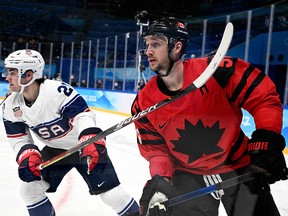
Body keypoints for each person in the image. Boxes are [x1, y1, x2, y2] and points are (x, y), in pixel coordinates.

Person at [131, 17, 288, 216]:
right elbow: (157, 151)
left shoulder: (218, 71)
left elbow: (263, 97)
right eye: (147, 45)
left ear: (177, 47)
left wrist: (266, 139)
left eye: (156, 44)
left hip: (237, 164)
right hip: (188, 175)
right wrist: (160, 181)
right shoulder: (143, 103)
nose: (148, 51)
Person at [2, 49, 138, 216]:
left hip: (84, 147)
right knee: (29, 190)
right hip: (55, 150)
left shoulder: (57, 91)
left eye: (12, 73)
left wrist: (89, 136)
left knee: (112, 195)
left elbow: (82, 115)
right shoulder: (9, 106)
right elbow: (18, 138)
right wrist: (27, 154)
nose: (6, 77)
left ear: (28, 74)